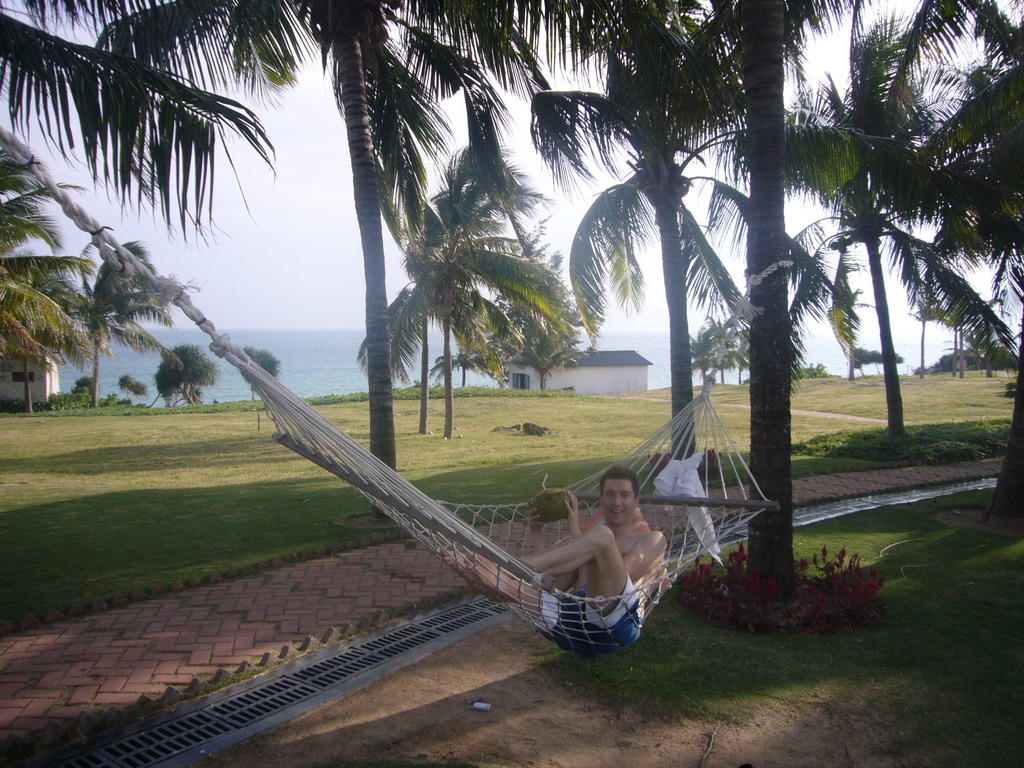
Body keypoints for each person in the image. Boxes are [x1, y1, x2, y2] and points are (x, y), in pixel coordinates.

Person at [445, 465, 666, 658]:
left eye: (624, 495)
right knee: (515, 589)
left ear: (636, 501)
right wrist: (537, 533)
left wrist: (576, 532)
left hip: (616, 620)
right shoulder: (583, 544)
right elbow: (550, 585)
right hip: (570, 620)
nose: (616, 502)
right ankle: (485, 581)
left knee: (603, 536)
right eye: (609, 494)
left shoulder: (652, 539)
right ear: (601, 499)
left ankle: (504, 568)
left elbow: (620, 580)